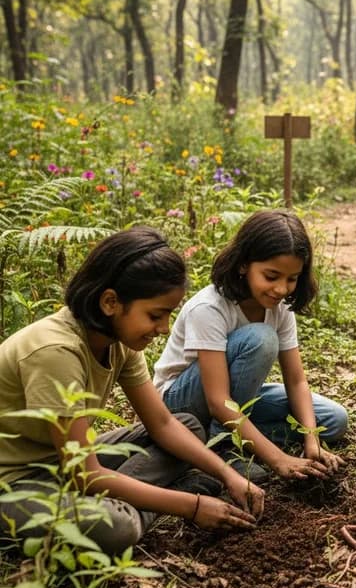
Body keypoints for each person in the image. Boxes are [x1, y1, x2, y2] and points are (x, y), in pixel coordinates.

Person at [0, 227, 263, 555]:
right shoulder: (55, 351)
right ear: (110, 302)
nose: (164, 328)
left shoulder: (117, 342)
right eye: (156, 314)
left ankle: (133, 500)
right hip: (15, 483)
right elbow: (85, 474)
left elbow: (163, 425)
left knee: (188, 427)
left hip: (65, 464)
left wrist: (227, 475)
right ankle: (134, 508)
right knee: (117, 528)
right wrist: (191, 505)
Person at [154, 209, 347, 483]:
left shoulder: (279, 308)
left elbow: (296, 380)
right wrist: (278, 460)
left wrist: (311, 441)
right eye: (271, 276)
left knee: (333, 419)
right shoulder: (210, 308)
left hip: (236, 400)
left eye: (291, 279)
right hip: (181, 403)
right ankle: (222, 446)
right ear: (243, 264)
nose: (281, 289)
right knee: (261, 337)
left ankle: (223, 439)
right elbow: (218, 400)